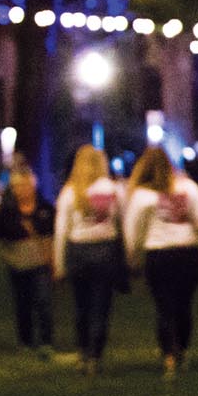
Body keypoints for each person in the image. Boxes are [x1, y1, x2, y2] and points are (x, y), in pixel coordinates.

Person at [123, 147, 198, 378]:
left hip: (159, 254)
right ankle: (182, 349)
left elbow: (133, 231)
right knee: (184, 305)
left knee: (164, 307)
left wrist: (132, 256)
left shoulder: (142, 195)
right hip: (187, 252)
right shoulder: (188, 188)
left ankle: (169, 356)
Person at [54, 145, 125, 373]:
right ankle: (96, 353)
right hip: (105, 250)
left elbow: (61, 230)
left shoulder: (70, 191)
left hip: (79, 250)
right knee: (101, 304)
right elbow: (122, 221)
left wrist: (58, 262)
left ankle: (83, 351)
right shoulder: (113, 189)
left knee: (81, 305)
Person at [0, 165, 56, 355]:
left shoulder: (45, 208)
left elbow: (51, 234)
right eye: (18, 186)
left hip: (40, 262)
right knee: (22, 302)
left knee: (43, 300)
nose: (22, 190)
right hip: (17, 263)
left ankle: (46, 341)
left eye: (25, 185)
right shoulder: (7, 212)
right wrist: (8, 257)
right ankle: (25, 340)